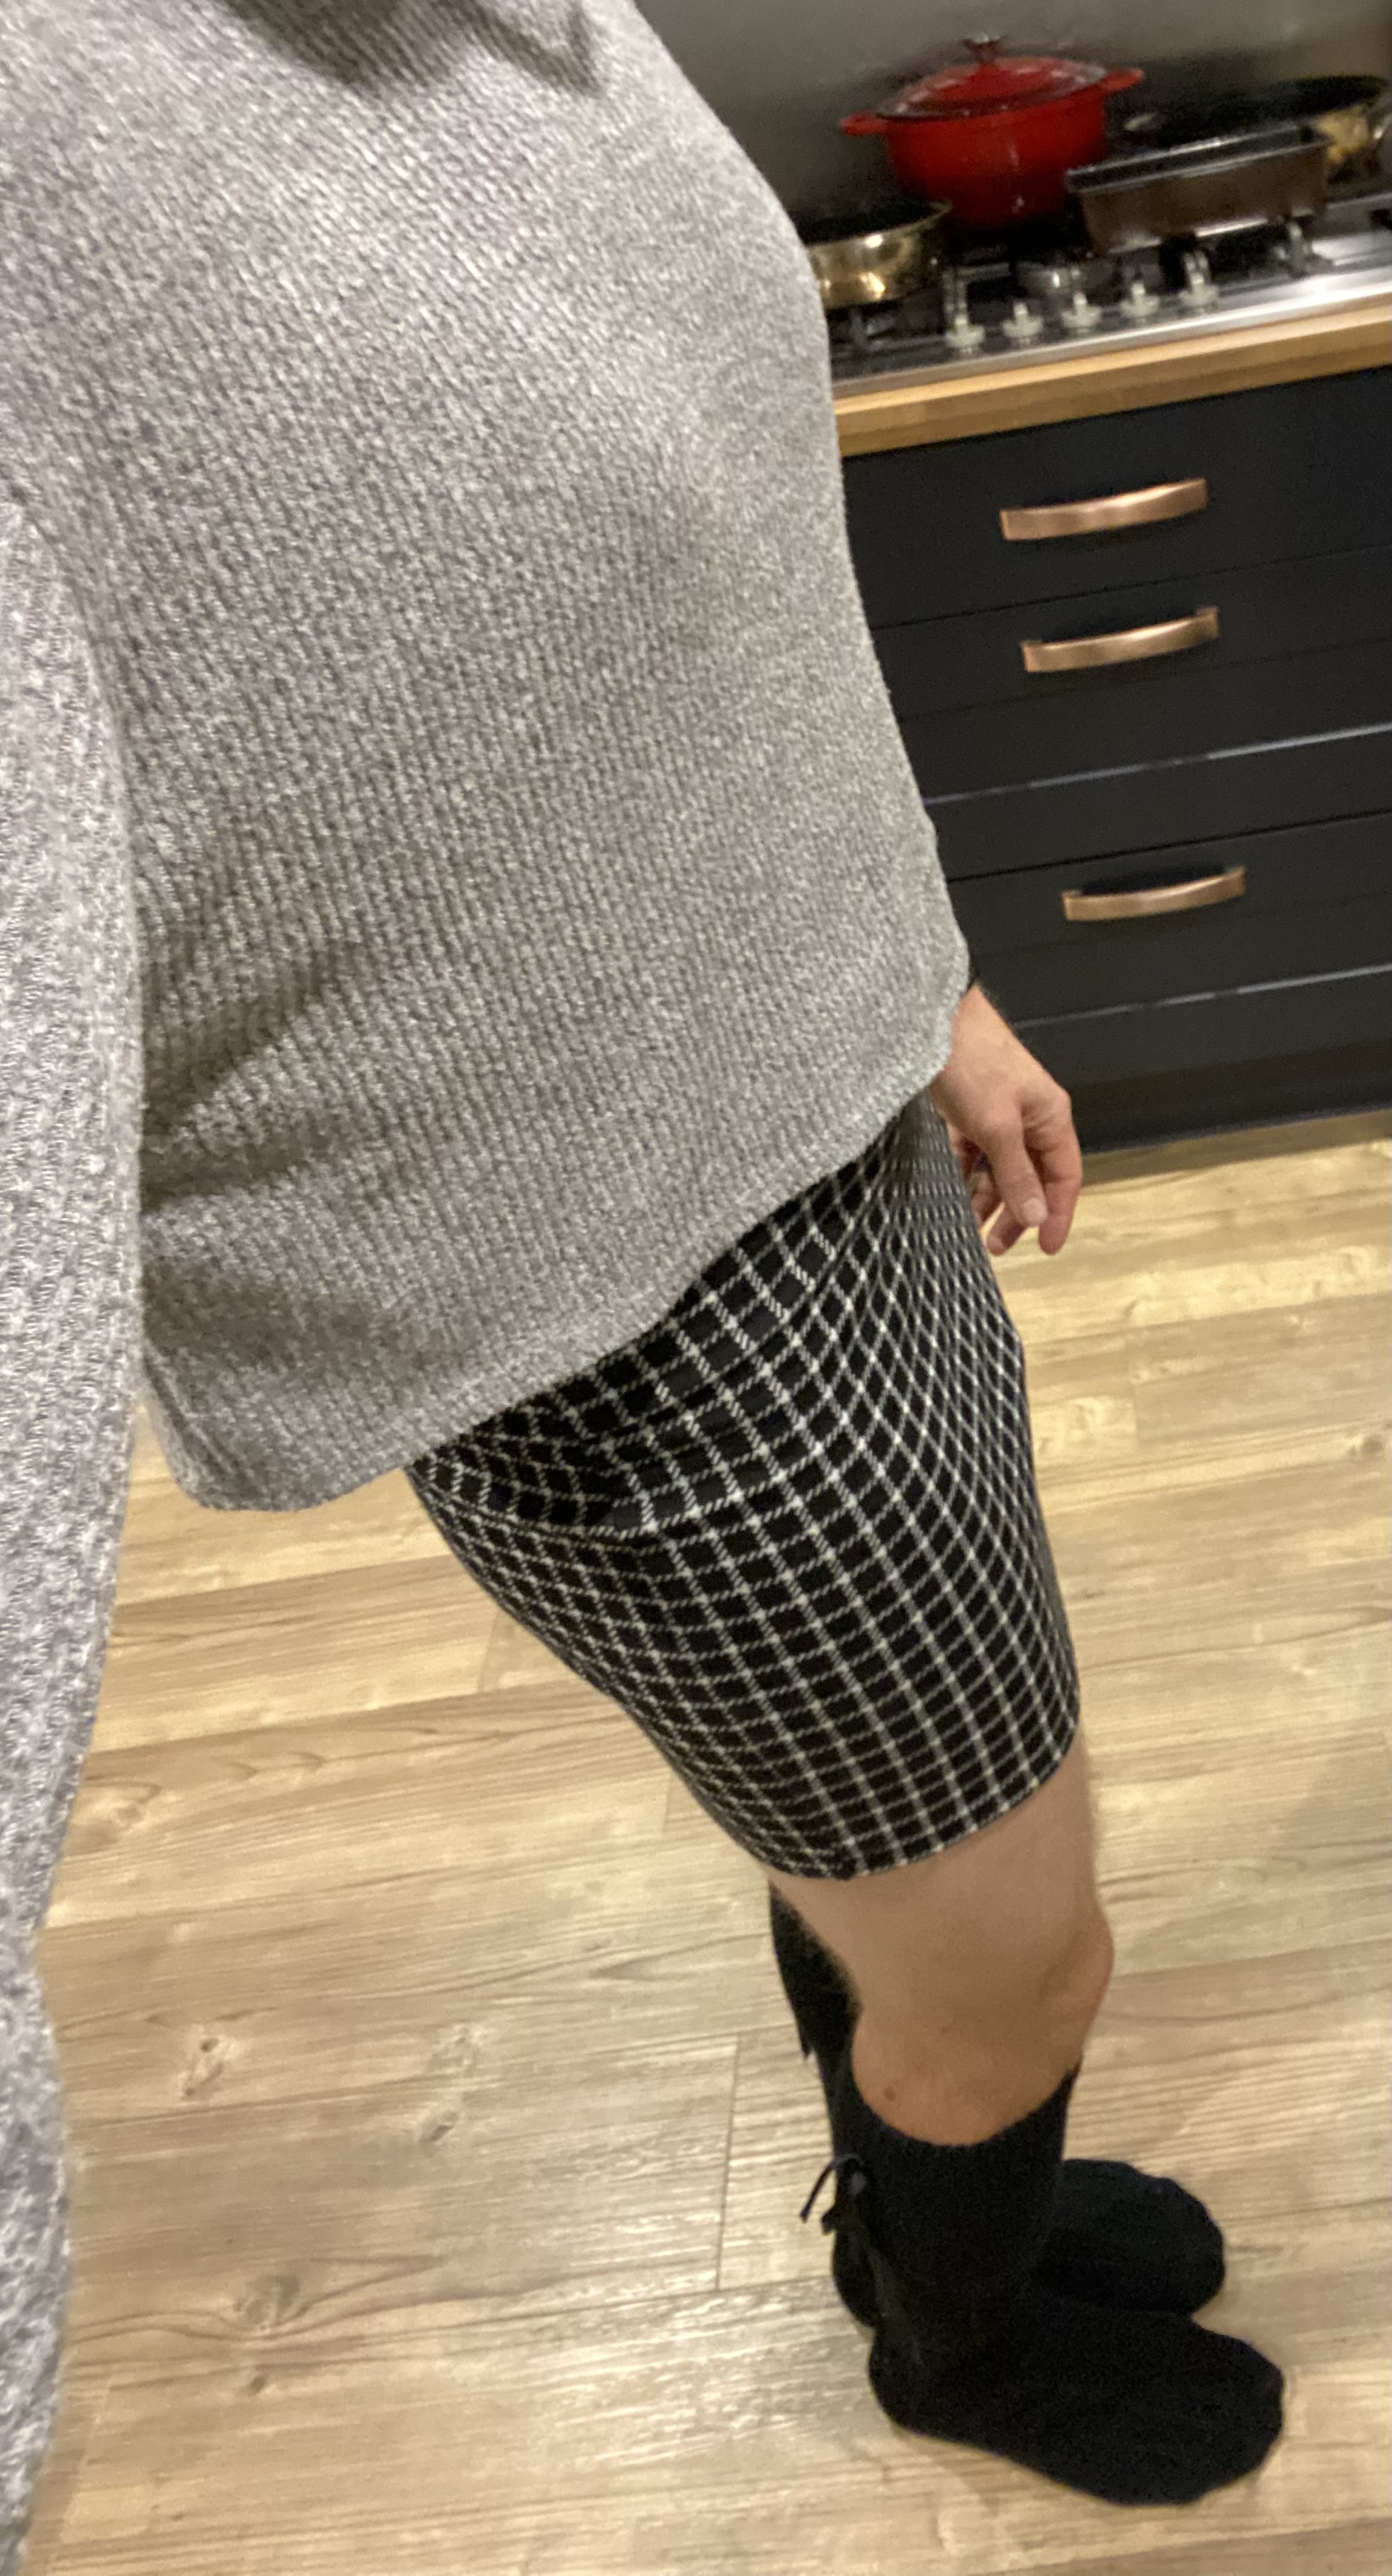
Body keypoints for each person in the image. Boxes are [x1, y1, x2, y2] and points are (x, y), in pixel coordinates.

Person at [0, 2, 1283, 2563]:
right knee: (1019, 1954)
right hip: (622, 1317)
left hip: (829, 1126)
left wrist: (925, 978)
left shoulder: (522, 22)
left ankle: (931, 2165)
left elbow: (700, 577)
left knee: (906, 1863)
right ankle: (956, 2332)